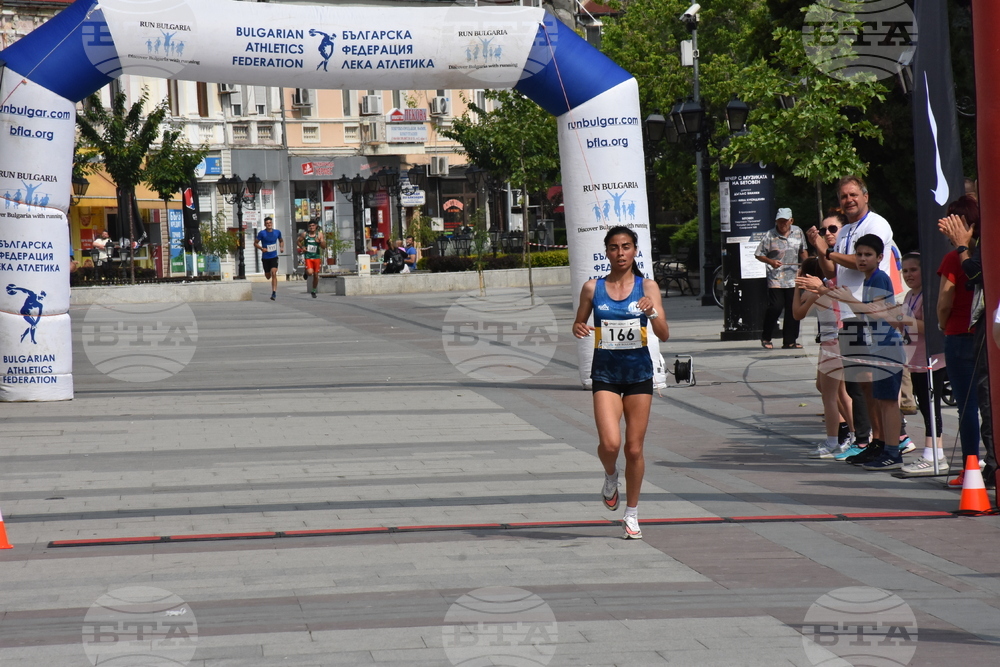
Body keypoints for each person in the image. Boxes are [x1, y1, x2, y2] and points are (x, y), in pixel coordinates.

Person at [573, 226, 669, 540]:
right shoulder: (592, 287)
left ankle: (632, 514)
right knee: (611, 444)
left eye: (626, 247)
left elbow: (665, 333)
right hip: (605, 375)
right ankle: (611, 475)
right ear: (607, 252)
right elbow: (579, 321)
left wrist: (652, 311)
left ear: (635, 250)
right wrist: (579, 327)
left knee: (634, 448)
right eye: (614, 248)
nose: (621, 253)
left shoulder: (648, 286)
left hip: (639, 375)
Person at [808, 176, 900, 463]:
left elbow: (860, 263)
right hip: (848, 314)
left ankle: (892, 443)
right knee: (859, 385)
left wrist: (830, 251)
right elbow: (832, 269)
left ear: (865, 196)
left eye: (853, 195)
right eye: (844, 196)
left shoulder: (876, 224)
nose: (849, 200)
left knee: (876, 385)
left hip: (870, 312)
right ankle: (875, 440)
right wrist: (820, 249)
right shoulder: (846, 229)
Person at [827, 234, 907, 471]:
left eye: (867, 255)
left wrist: (849, 299)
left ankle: (893, 452)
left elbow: (878, 312)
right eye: (859, 254)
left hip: (888, 347)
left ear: (879, 257)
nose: (862, 259)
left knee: (889, 402)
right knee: (881, 400)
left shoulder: (880, 278)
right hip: (878, 346)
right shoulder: (870, 278)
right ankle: (881, 445)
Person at [938, 195, 995, 489]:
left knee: (969, 406)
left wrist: (941, 323)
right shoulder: (985, 251)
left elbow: (945, 300)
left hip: (963, 336)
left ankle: (972, 465)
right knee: (986, 403)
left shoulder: (958, 257)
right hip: (984, 337)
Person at [793, 217, 854, 458]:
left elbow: (797, 313)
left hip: (837, 338)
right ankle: (854, 434)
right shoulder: (827, 282)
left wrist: (799, 285)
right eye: (823, 230)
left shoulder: (827, 284)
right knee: (829, 389)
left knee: (834, 394)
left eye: (832, 229)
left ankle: (842, 438)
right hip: (831, 339)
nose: (827, 233)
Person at [897, 252, 948, 476]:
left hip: (932, 361)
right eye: (905, 271)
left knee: (931, 407)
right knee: (924, 407)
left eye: (913, 270)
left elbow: (928, 327)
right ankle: (932, 452)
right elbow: (906, 327)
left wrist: (903, 319)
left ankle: (935, 454)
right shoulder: (909, 296)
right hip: (914, 359)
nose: (909, 275)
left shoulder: (929, 296)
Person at [755, 207, 808, 349]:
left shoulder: (797, 232)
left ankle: (790, 340)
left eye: (785, 221)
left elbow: (803, 251)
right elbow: (758, 254)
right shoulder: (770, 235)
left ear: (791, 221)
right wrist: (771, 261)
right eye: (779, 222)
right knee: (776, 306)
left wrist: (807, 266)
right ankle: (766, 336)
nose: (782, 224)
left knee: (793, 308)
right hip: (776, 277)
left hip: (793, 276)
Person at [254, 216, 284, 300]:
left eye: (270, 223)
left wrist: (281, 247)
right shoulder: (262, 233)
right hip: (265, 257)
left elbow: (281, 240)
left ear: (272, 223)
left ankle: (274, 292)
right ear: (264, 224)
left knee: (274, 273)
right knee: (268, 276)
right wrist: (261, 248)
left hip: (274, 256)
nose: (269, 224)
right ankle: (268, 272)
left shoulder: (277, 232)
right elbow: (255, 243)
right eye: (267, 223)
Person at [297, 220, 326, 298]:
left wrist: (319, 242)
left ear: (316, 226)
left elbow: (324, 247)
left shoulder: (319, 235)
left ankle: (313, 290)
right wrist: (302, 247)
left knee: (316, 275)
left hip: (316, 257)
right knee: (310, 273)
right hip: (308, 257)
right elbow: (298, 241)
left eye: (313, 226)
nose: (312, 227)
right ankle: (306, 272)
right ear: (308, 227)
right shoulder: (305, 234)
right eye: (310, 226)